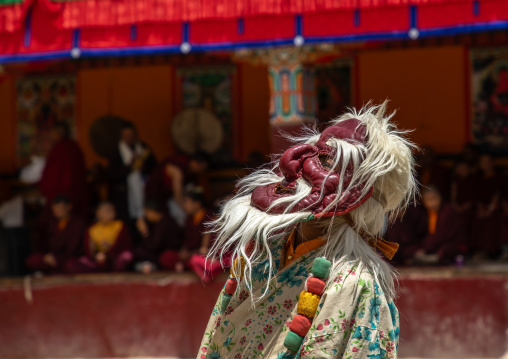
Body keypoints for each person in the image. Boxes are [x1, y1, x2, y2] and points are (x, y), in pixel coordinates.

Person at [198, 103, 416, 359]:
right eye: (314, 156)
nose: (300, 168)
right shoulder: (257, 257)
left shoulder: (356, 283)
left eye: (326, 162)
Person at [159, 186, 226, 281]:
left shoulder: (208, 219)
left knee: (196, 260)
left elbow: (205, 249)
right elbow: (186, 240)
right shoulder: (189, 220)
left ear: (197, 204)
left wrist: (190, 254)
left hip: (202, 255)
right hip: (190, 254)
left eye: (187, 202)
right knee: (166, 256)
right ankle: (185, 265)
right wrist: (183, 251)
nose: (184, 206)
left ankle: (188, 266)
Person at [107, 121, 157, 223]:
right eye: (126, 135)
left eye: (131, 135)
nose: (129, 138)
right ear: (121, 136)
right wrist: (130, 167)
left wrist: (143, 167)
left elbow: (154, 167)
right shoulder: (115, 151)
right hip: (123, 195)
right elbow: (111, 175)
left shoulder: (143, 148)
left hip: (143, 190)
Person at [144, 152, 209, 226]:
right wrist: (185, 209)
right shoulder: (177, 170)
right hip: (156, 197)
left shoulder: (189, 171)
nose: (202, 171)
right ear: (194, 162)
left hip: (169, 198)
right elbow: (177, 195)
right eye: (201, 167)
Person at [38, 122, 88, 218]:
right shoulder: (74, 146)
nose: (50, 135)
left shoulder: (59, 148)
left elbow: (53, 174)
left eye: (52, 132)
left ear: (58, 132)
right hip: (77, 190)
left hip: (62, 191)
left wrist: (43, 185)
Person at [26, 195, 85, 274]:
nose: (57, 211)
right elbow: (44, 244)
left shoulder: (77, 223)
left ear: (69, 207)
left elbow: (74, 247)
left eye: (60, 208)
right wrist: (47, 256)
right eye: (55, 208)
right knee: (33, 260)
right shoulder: (51, 223)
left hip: (69, 257)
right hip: (51, 256)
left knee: (72, 266)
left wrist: (57, 258)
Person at [68, 202, 133, 273]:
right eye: (107, 211)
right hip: (97, 260)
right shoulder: (92, 229)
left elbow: (126, 246)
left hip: (114, 258)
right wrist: (94, 253)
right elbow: (89, 251)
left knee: (127, 256)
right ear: (98, 213)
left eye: (113, 210)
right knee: (75, 263)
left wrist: (110, 250)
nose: (112, 213)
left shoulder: (120, 225)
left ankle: (113, 272)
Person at [413, 186, 466, 265]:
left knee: (445, 249)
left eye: (435, 198)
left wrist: (425, 248)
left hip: (450, 243)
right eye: (429, 200)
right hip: (433, 244)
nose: (433, 203)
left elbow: (442, 234)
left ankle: (434, 258)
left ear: (440, 197)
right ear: (423, 201)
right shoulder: (425, 213)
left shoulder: (447, 211)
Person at [133, 199, 182, 274]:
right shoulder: (158, 222)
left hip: (168, 253)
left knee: (139, 252)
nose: (145, 216)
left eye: (146, 212)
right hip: (160, 252)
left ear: (152, 211)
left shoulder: (165, 223)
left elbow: (153, 246)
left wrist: (144, 231)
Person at [470, 154, 503, 259]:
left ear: (492, 163)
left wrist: (490, 209)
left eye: (487, 162)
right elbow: (476, 196)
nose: (485, 165)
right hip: (482, 208)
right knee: (476, 220)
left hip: (497, 208)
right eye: (482, 162)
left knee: (492, 221)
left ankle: (491, 251)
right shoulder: (478, 179)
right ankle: (478, 251)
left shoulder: (500, 178)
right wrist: (480, 208)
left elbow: (498, 196)